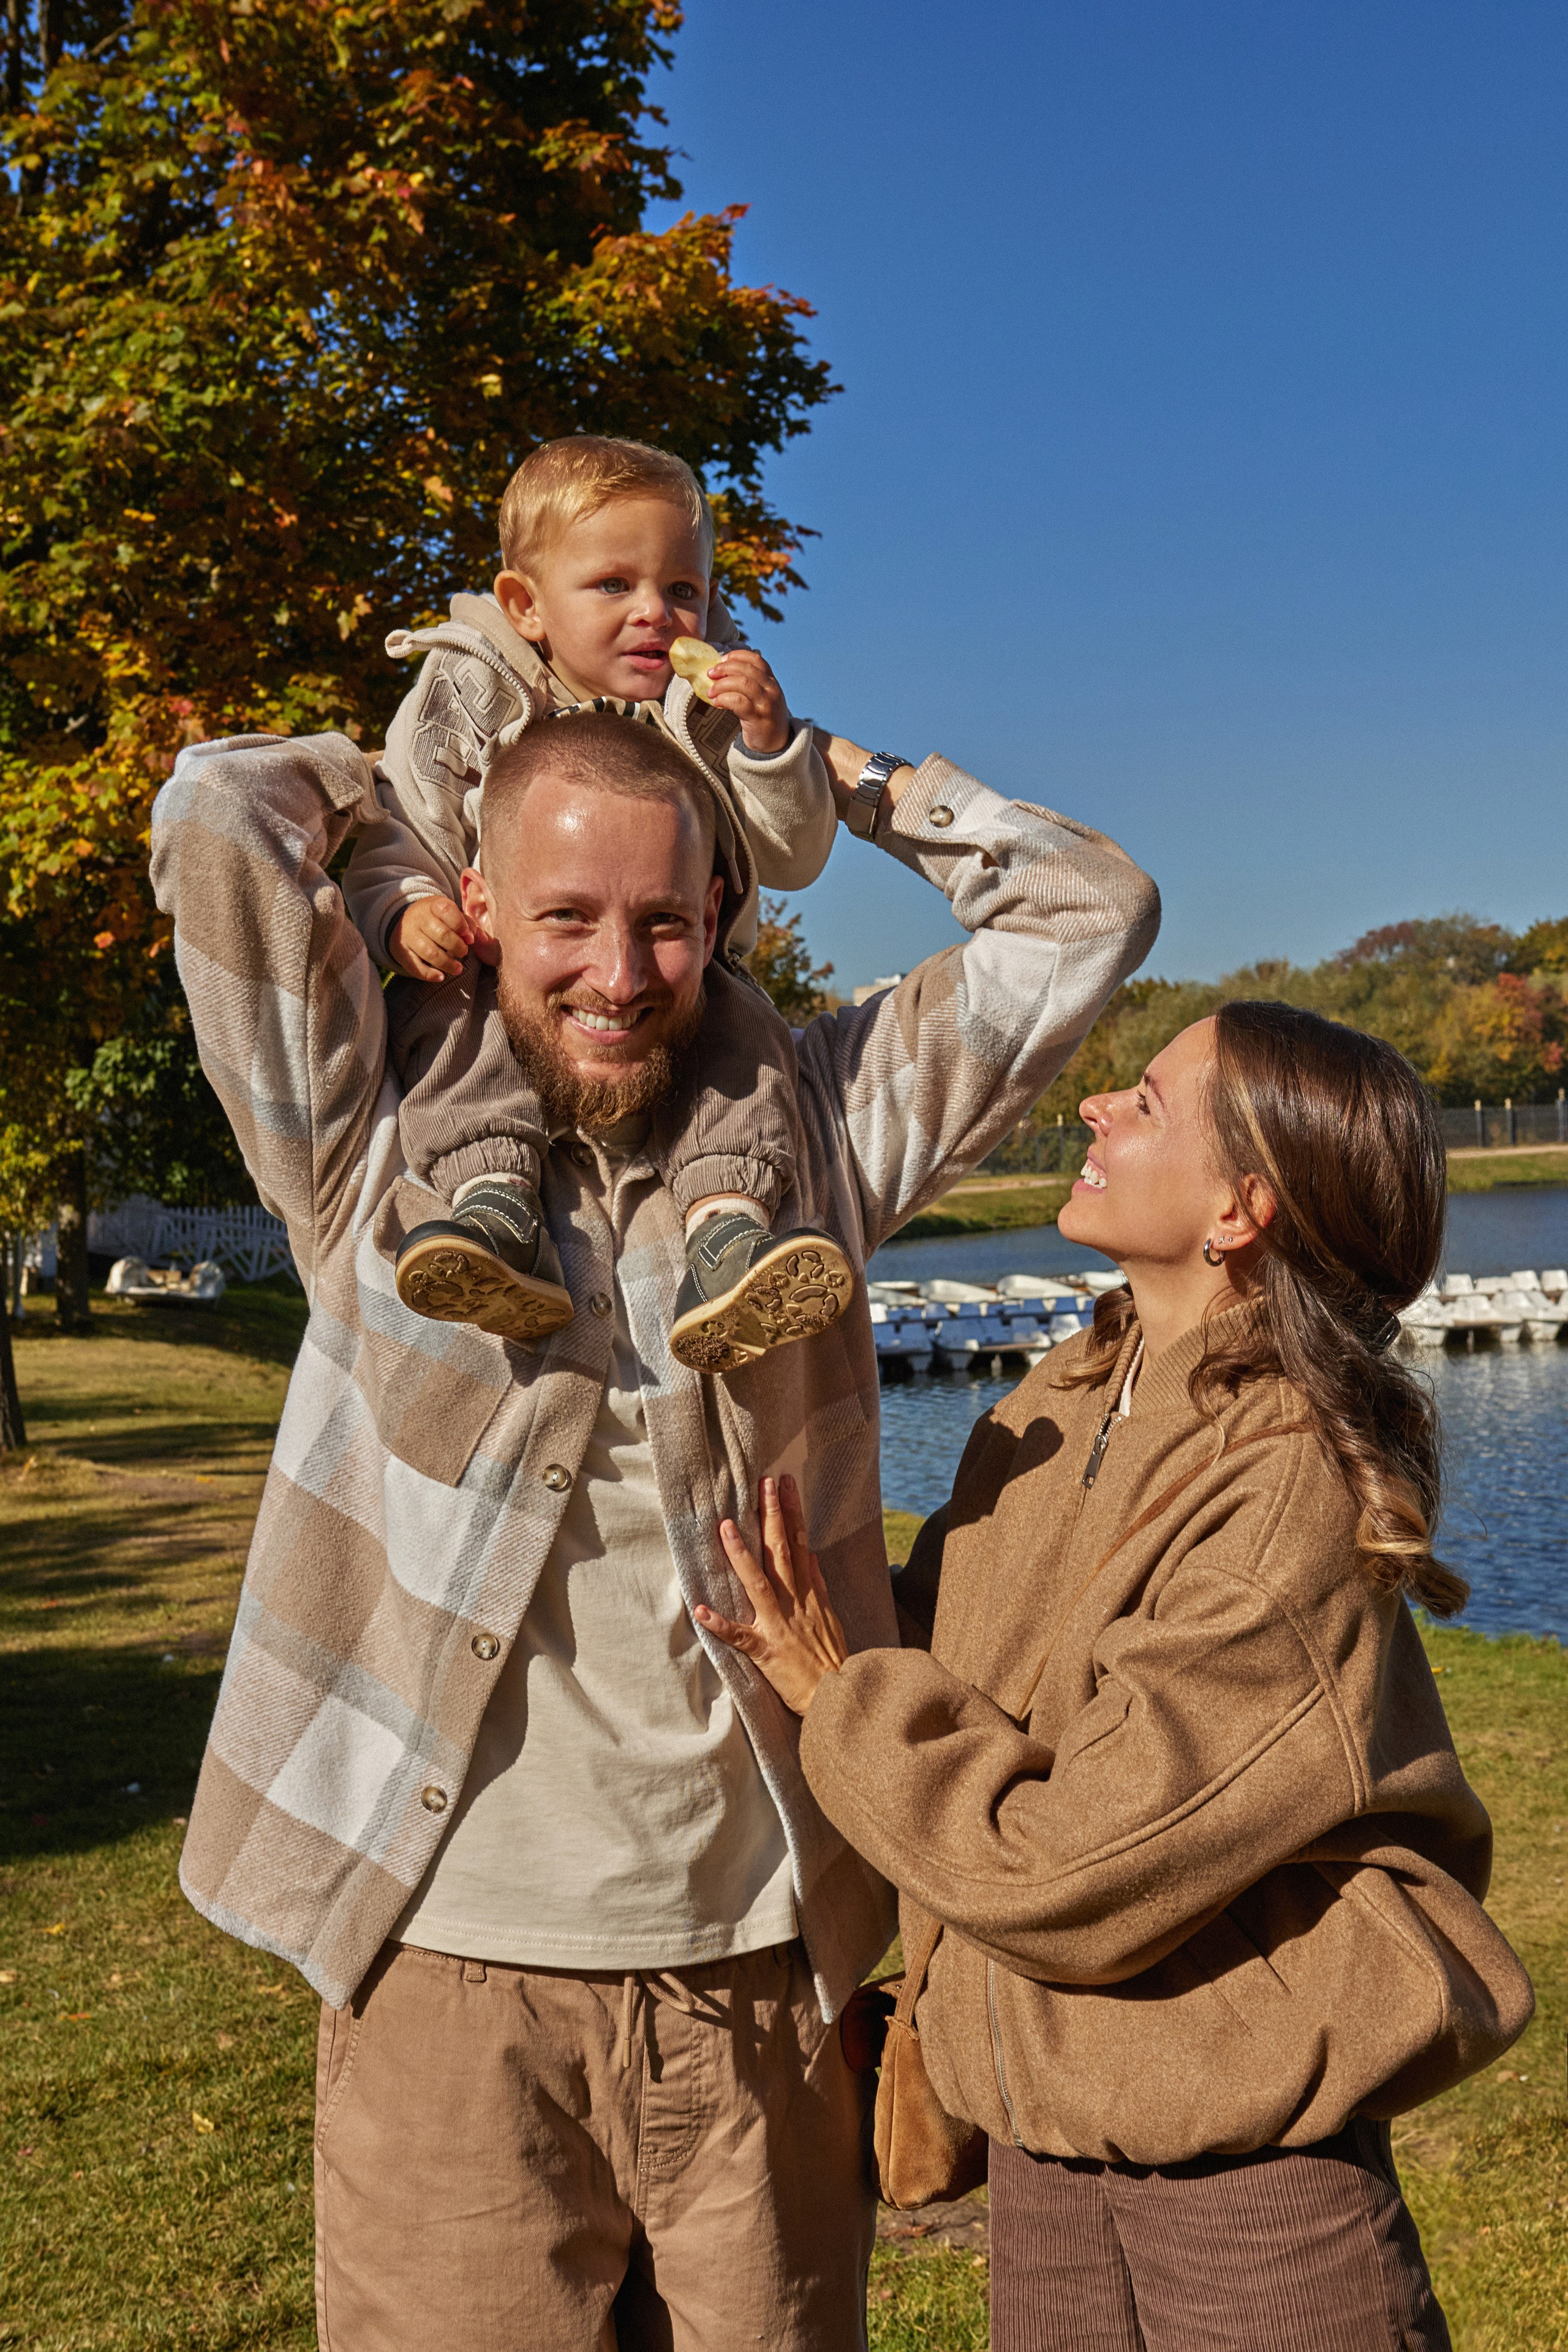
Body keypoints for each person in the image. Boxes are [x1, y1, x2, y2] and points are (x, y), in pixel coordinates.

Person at [149, 706, 1159, 2351]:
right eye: (563, 918)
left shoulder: (820, 1133)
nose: (619, 975)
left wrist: (825, 777)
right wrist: (386, 801)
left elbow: (1085, 913)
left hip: (761, 1969)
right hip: (442, 1977)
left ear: (723, 921)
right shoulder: (366, 1127)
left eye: (665, 921)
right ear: (485, 905)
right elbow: (212, 819)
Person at [700, 1000, 1534, 2352]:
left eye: (1145, 1101)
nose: (1096, 1107)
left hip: (1244, 2183)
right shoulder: (1060, 1400)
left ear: (1238, 1209)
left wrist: (837, 1692)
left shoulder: (1283, 1494)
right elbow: (946, 1651)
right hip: (1045, 2154)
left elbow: (1066, 1865)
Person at [345, 431, 856, 1376]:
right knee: (453, 1021)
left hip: (687, 974)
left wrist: (770, 749)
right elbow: (392, 828)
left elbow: (793, 861)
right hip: (495, 968)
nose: (656, 614)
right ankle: (493, 1207)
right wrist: (406, 907)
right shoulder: (467, 695)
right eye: (614, 586)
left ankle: (728, 1235)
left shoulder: (711, 713)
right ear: (524, 606)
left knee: (747, 1051)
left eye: (685, 590)